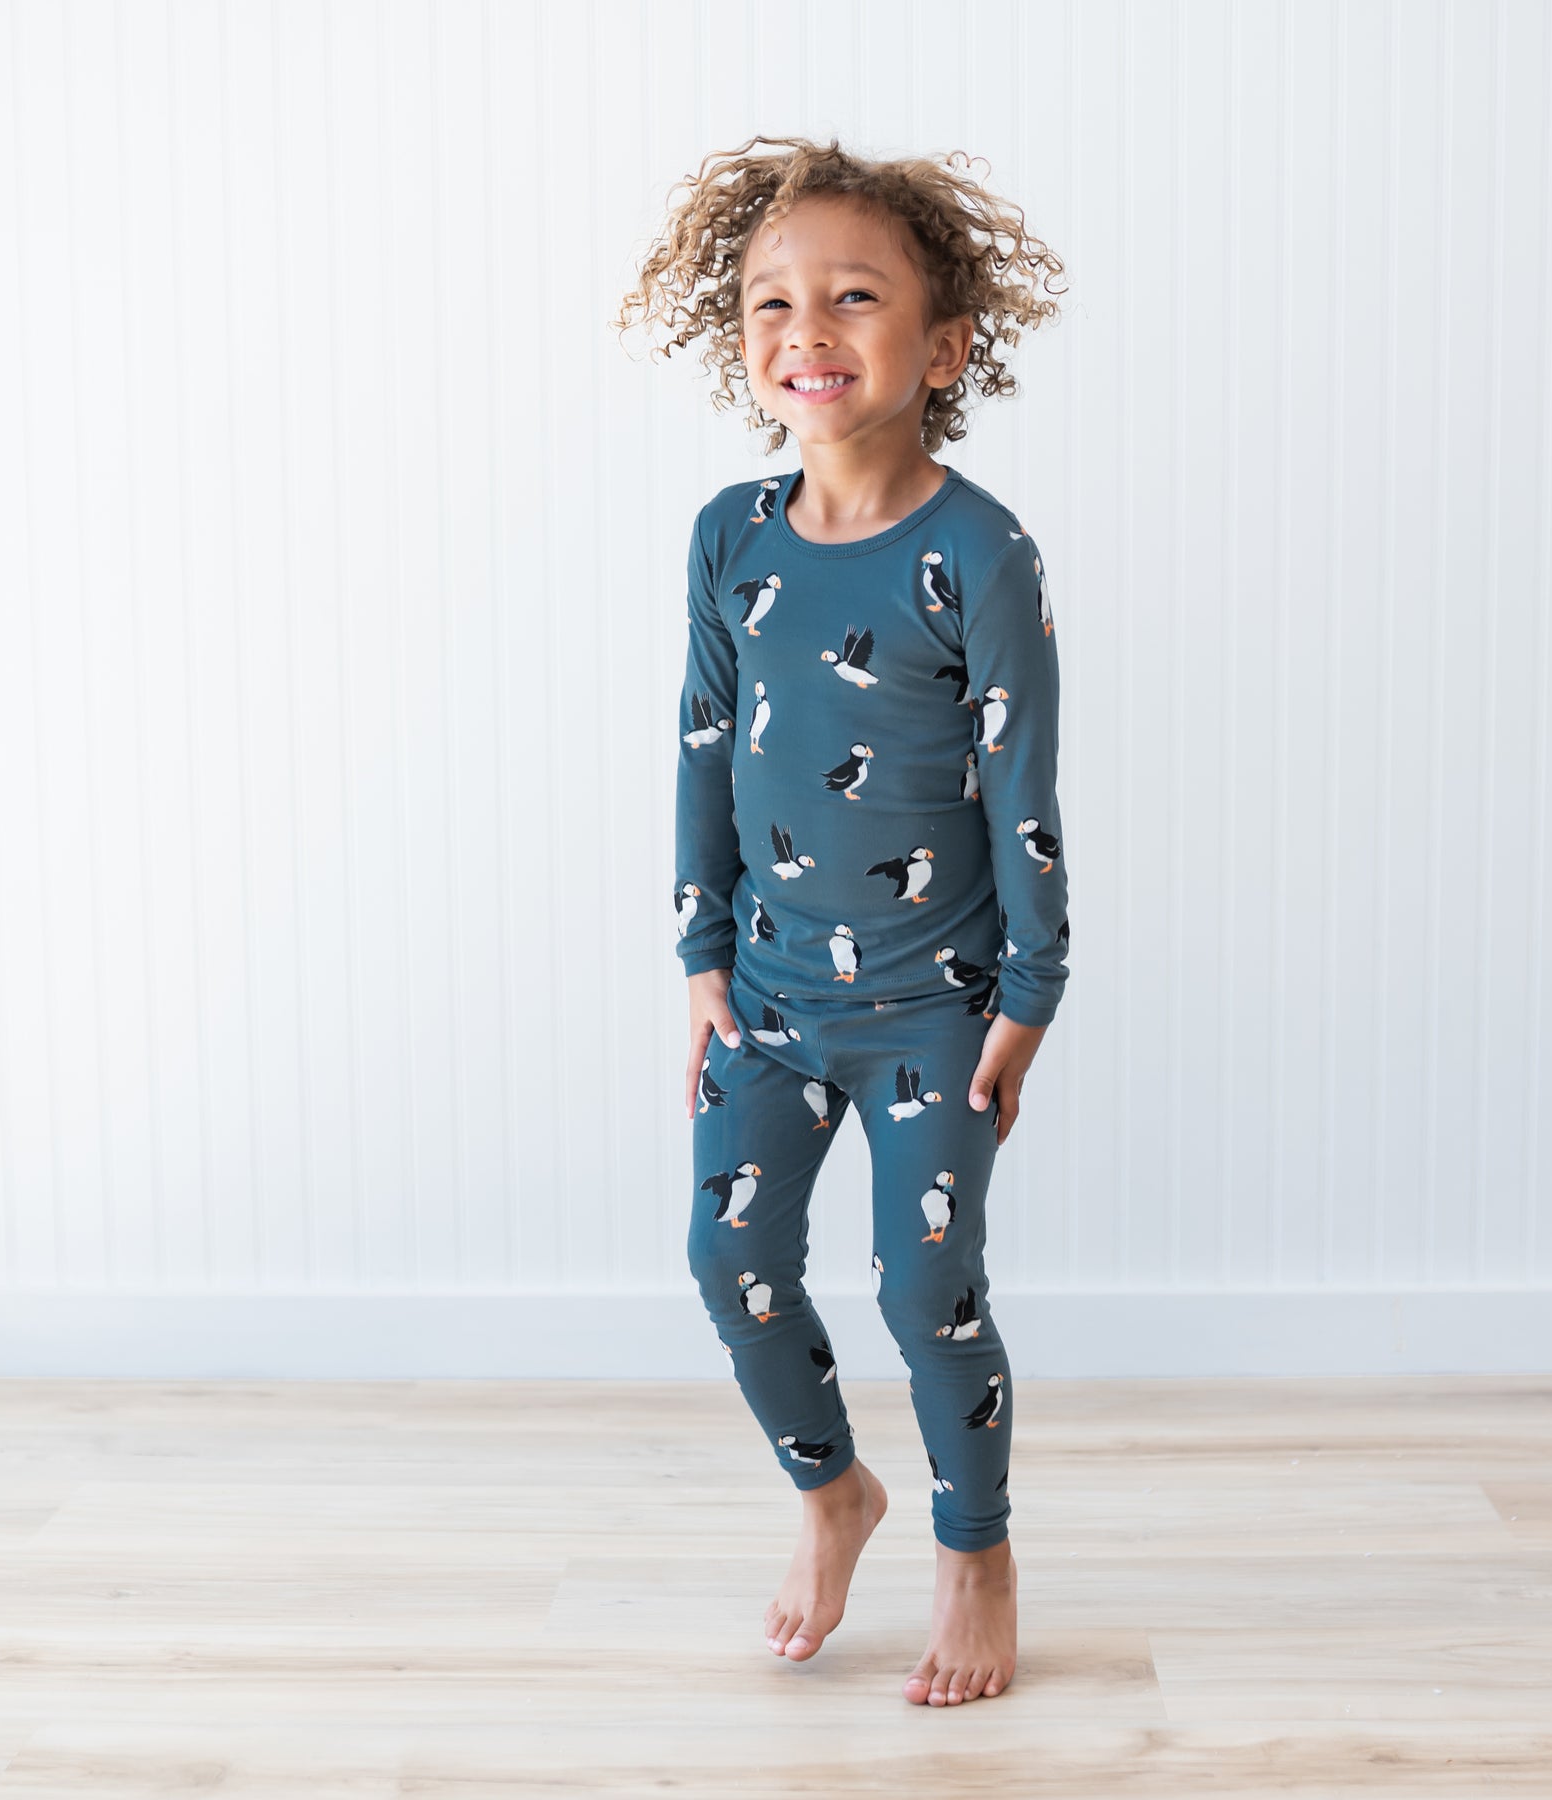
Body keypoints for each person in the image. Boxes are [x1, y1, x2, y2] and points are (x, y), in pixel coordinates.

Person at [613, 134, 1070, 1708]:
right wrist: (697, 959)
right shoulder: (729, 537)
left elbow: (1024, 789)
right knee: (727, 1255)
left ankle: (977, 1550)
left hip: (939, 1007)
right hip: (770, 994)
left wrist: (1031, 992)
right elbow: (700, 747)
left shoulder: (976, 553)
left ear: (941, 346)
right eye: (770, 303)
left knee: (923, 1287)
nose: (806, 330)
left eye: (854, 298)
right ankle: (832, 1494)